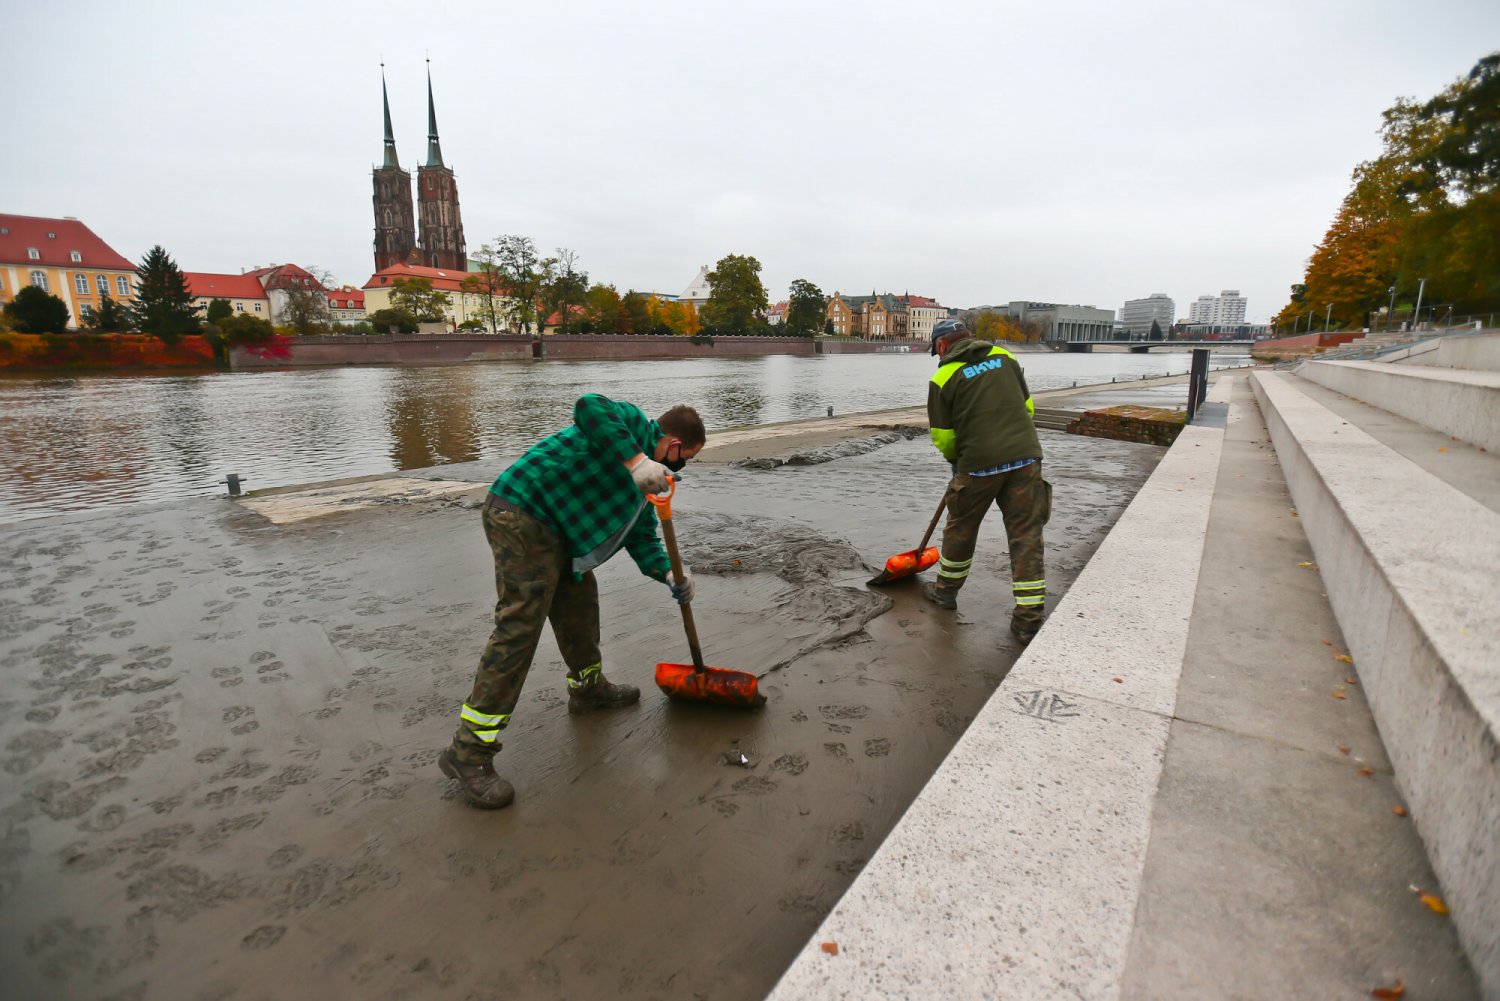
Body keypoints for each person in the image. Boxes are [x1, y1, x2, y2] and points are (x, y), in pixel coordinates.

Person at [439, 393, 707, 809]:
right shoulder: (630, 426)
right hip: (521, 513)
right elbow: (589, 405)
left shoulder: (645, 488)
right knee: (519, 628)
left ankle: (588, 690)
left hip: (560, 534)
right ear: (672, 444)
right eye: (682, 459)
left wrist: (671, 572)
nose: (677, 468)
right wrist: (636, 461)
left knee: (580, 606)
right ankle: (468, 752)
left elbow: (642, 537)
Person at [921, 318, 1050, 645]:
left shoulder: (943, 377)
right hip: (1025, 459)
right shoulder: (1007, 359)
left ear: (941, 346)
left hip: (977, 466)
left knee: (961, 528)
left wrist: (957, 463)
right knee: (1026, 534)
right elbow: (1027, 409)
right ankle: (1028, 621)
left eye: (935, 352)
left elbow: (944, 437)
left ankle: (946, 593)